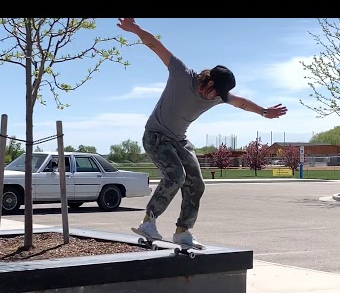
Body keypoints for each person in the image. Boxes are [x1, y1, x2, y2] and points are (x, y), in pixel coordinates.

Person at [117, 18, 288, 249]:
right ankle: (149, 221)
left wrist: (264, 112)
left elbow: (242, 103)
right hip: (156, 136)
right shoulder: (181, 73)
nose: (216, 97)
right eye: (215, 91)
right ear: (208, 81)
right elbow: (156, 46)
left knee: (197, 183)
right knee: (175, 176)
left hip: (179, 140)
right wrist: (135, 29)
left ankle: (182, 231)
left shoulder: (220, 95)